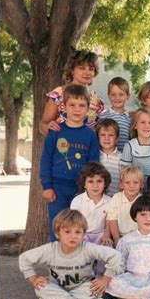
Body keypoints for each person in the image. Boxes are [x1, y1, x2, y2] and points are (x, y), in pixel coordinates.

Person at [19, 209, 121, 299]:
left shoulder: (88, 248)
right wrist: (33, 279)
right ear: (58, 233)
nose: (73, 236)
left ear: (83, 234)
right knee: (40, 288)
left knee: (96, 289)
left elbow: (115, 255)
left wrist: (105, 279)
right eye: (67, 232)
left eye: (78, 232)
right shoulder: (50, 250)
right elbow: (24, 258)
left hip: (82, 287)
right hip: (57, 287)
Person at [40, 84, 100, 241]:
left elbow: (94, 166)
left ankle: (75, 262)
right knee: (57, 225)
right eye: (72, 105)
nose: (77, 109)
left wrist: (90, 189)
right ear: (64, 107)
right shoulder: (55, 131)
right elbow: (45, 160)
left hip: (80, 190)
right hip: (57, 188)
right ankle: (55, 263)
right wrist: (47, 186)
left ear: (87, 109)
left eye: (81, 106)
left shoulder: (90, 135)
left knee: (78, 226)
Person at [40, 49, 104, 134]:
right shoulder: (58, 94)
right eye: (82, 68)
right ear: (72, 71)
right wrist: (48, 127)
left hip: (87, 146)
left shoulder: (96, 100)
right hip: (62, 145)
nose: (87, 72)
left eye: (91, 69)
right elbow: (43, 124)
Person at [121, 107, 150, 185]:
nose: (147, 126)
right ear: (135, 125)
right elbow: (125, 172)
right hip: (134, 186)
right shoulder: (129, 146)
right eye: (142, 122)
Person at [70, 162, 112, 246]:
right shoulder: (78, 201)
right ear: (84, 184)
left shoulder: (110, 201)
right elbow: (74, 222)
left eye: (99, 181)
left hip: (101, 234)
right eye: (90, 181)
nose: (95, 185)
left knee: (108, 247)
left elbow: (110, 221)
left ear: (105, 183)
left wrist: (107, 235)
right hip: (83, 234)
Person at [106, 166, 144, 246]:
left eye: (135, 182)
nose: (131, 186)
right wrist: (116, 239)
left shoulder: (143, 200)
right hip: (120, 236)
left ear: (141, 184)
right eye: (127, 182)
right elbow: (112, 219)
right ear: (121, 184)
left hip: (138, 237)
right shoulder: (116, 197)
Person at [98, 77, 132, 152]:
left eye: (121, 94)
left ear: (127, 96)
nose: (117, 98)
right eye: (113, 94)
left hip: (124, 157)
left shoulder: (130, 120)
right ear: (108, 96)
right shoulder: (102, 117)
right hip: (105, 156)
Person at [96, 119, 122, 196]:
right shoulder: (94, 156)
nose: (106, 138)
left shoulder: (122, 158)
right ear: (97, 138)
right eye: (103, 135)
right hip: (97, 199)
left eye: (110, 135)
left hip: (115, 199)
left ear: (117, 139)